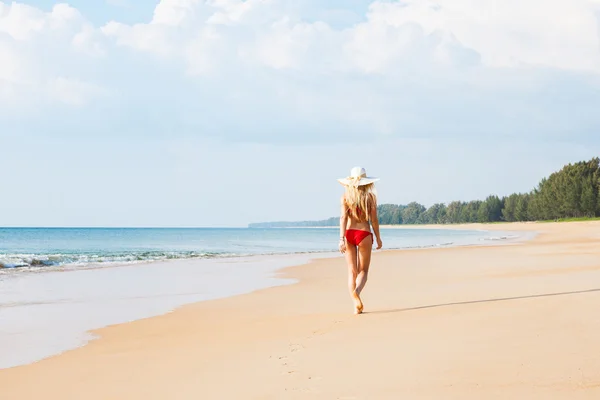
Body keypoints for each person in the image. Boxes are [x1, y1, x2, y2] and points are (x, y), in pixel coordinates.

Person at [337, 166, 382, 314]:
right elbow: (374, 220)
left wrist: (341, 239)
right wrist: (378, 237)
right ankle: (356, 292)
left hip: (349, 233)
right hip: (364, 234)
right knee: (363, 270)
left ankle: (354, 304)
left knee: (352, 271)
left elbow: (343, 218)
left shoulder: (345, 197)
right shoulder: (370, 198)